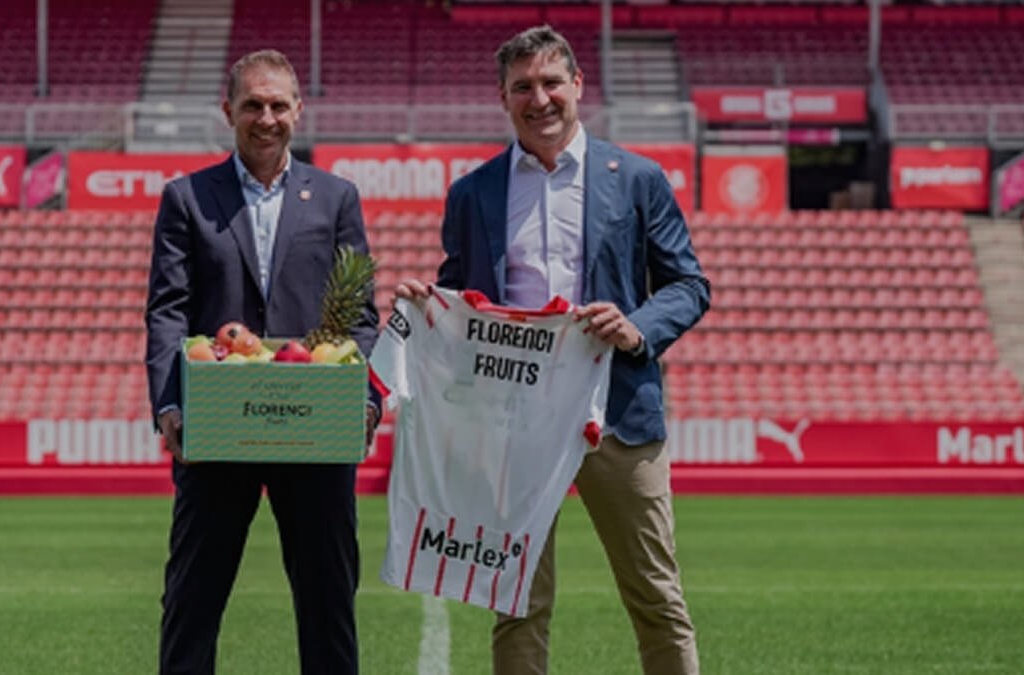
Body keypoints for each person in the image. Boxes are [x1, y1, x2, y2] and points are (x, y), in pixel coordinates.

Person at [394, 25, 711, 675]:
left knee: (654, 595)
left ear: (577, 86)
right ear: (502, 97)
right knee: (516, 601)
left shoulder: (638, 178)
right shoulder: (473, 191)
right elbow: (463, 293)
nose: (538, 99)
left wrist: (637, 325)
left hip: (617, 408)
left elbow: (688, 284)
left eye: (549, 83)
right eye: (522, 87)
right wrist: (432, 304)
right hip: (512, 422)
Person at [145, 49, 380, 675]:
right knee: (192, 600)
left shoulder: (337, 198)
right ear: (229, 111)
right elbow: (168, 312)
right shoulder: (187, 198)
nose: (266, 117)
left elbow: (361, 318)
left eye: (278, 104)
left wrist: (364, 398)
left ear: (298, 111)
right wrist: (170, 404)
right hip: (218, 425)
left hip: (315, 429)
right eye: (253, 104)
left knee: (329, 603)